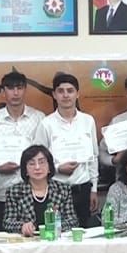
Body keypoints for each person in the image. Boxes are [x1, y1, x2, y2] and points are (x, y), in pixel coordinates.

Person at [33, 73, 99, 227]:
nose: (65, 95)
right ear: (54, 95)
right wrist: (57, 169)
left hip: (83, 188)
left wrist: (94, 189)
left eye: (70, 91)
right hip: (56, 189)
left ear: (77, 94)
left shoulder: (88, 121)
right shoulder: (46, 124)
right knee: (55, 232)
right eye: (61, 91)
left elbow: (94, 157)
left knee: (83, 233)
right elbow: (38, 159)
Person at [0, 71, 44, 231]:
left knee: (35, 237)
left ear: (25, 90)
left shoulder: (39, 118)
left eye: (19, 88)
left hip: (33, 193)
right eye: (10, 88)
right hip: (2, 192)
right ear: (3, 92)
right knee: (2, 239)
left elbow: (45, 155)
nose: (15, 93)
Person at [2, 145, 77, 236]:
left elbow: (72, 221)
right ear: (25, 169)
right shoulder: (14, 192)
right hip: (28, 240)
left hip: (55, 239)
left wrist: (57, 225)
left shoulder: (63, 189)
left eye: (42, 162)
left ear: (49, 167)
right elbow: (8, 222)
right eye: (31, 163)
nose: (37, 167)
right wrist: (22, 226)